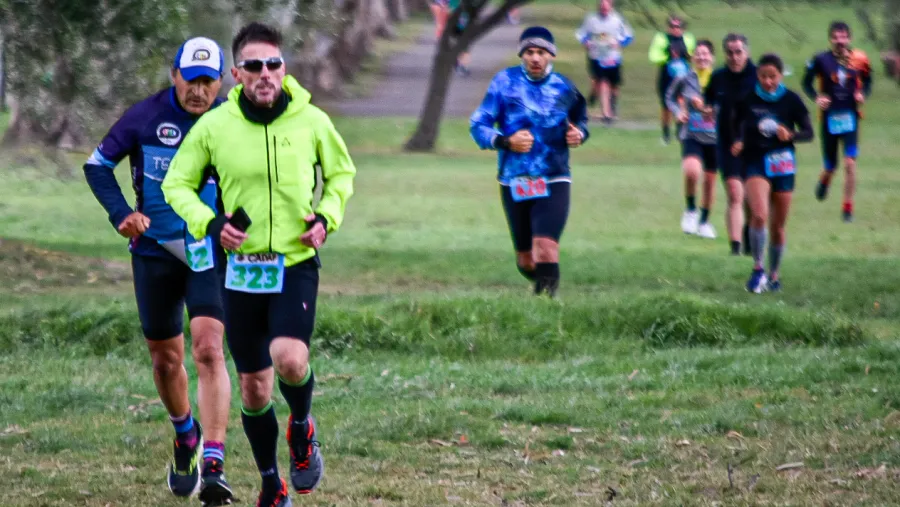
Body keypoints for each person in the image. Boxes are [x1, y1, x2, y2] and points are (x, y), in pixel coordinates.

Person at [162, 22, 357, 507]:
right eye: (253, 66)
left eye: (273, 64)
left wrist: (327, 217)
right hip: (241, 270)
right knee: (252, 389)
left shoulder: (311, 121)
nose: (264, 73)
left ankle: (302, 425)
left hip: (295, 263)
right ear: (237, 74)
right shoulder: (215, 127)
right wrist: (210, 224)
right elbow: (177, 185)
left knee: (290, 359)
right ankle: (272, 483)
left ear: (283, 68)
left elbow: (340, 174)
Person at [82, 37, 234, 505]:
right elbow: (97, 165)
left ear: (221, 83)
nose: (199, 91)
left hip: (207, 249)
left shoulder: (231, 120)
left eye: (209, 82)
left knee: (209, 349)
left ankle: (213, 460)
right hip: (152, 252)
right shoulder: (144, 117)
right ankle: (185, 434)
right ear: (175, 75)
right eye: (192, 79)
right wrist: (121, 214)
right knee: (166, 361)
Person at [470, 26, 589, 298]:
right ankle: (545, 286)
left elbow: (581, 120)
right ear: (522, 55)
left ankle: (546, 310)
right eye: (530, 52)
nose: (536, 58)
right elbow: (478, 124)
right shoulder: (504, 83)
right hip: (515, 179)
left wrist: (579, 134)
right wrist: (505, 141)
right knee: (526, 259)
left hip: (554, 176)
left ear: (552, 56)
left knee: (545, 246)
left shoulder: (564, 87)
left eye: (542, 52)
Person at [732, 53, 813, 293]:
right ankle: (758, 269)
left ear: (781, 75)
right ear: (757, 75)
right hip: (756, 161)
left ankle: (774, 275)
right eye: (764, 76)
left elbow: (809, 133)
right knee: (758, 215)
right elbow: (736, 124)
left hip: (783, 165)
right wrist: (738, 141)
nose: (768, 81)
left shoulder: (791, 100)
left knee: (778, 226)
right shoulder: (747, 98)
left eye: (773, 76)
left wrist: (791, 135)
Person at [802, 21, 873, 223]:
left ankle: (847, 208)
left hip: (851, 118)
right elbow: (806, 82)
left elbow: (868, 79)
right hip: (829, 119)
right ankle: (825, 179)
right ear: (830, 39)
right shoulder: (820, 60)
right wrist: (817, 97)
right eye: (836, 37)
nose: (840, 41)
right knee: (831, 166)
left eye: (843, 37)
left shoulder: (860, 58)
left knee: (850, 163)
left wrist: (862, 94)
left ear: (849, 39)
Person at [705, 33, 756, 256]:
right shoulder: (718, 78)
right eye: (730, 52)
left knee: (750, 198)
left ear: (747, 52)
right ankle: (735, 248)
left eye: (739, 52)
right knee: (735, 193)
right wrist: (705, 109)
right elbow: (709, 102)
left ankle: (747, 235)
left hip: (754, 146)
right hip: (726, 145)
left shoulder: (757, 76)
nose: (734, 57)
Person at [666, 39, 717, 239]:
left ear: (712, 57)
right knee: (692, 172)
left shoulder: (719, 79)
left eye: (705, 54)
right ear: (693, 57)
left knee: (710, 182)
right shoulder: (684, 78)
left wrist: (709, 107)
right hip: (691, 133)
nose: (702, 57)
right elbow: (669, 97)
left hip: (715, 137)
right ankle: (690, 210)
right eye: (698, 54)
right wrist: (678, 111)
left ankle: (704, 222)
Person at [576, 0, 634, 123]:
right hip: (596, 56)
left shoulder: (618, 19)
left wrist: (619, 43)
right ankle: (606, 114)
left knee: (614, 86)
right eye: (602, 7)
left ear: (611, 6)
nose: (604, 9)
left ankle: (611, 104)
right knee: (602, 81)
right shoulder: (591, 19)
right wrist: (586, 42)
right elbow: (581, 34)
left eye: (606, 7)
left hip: (613, 57)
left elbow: (629, 36)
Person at [648, 14, 695, 145]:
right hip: (666, 77)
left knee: (682, 104)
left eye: (678, 26)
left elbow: (694, 56)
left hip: (683, 77)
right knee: (666, 107)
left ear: (683, 28)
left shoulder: (688, 39)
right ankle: (666, 134)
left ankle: (681, 133)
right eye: (672, 26)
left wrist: (688, 56)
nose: (675, 29)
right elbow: (653, 56)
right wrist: (666, 55)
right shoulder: (662, 39)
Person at [448, 0, 472, 76]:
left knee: (463, 46)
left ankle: (460, 65)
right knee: (464, 47)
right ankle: (461, 65)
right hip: (460, 25)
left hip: (460, 24)